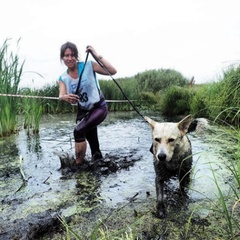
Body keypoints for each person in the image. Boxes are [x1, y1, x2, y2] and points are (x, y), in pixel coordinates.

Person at [58, 42, 117, 168]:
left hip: (99, 107)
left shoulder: (88, 65)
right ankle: (100, 168)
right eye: (66, 55)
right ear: (62, 58)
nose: (70, 58)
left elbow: (112, 71)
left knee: (78, 131)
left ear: (77, 56)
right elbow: (61, 95)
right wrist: (65, 97)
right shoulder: (63, 78)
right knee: (95, 150)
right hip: (84, 112)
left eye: (72, 55)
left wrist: (96, 55)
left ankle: (78, 167)